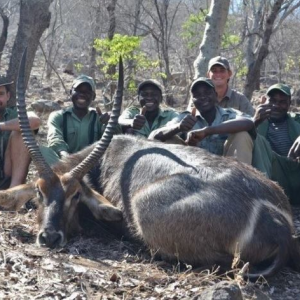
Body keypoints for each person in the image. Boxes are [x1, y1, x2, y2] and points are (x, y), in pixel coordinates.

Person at [150, 77, 255, 164]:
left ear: (215, 95)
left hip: (227, 172)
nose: (203, 97)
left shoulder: (228, 114)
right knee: (167, 138)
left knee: (242, 135)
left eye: (207, 92)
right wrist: (178, 128)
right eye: (197, 95)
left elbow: (249, 122)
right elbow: (154, 136)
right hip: (194, 170)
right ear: (192, 100)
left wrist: (208, 131)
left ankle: (240, 183)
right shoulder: (185, 117)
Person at [41, 75, 110, 165]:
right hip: (65, 162)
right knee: (42, 151)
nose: (82, 94)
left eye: (87, 92)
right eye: (78, 90)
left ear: (93, 96)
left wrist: (111, 124)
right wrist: (65, 157)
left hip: (92, 165)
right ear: (71, 92)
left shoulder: (100, 117)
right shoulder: (58, 116)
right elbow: (54, 138)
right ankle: (59, 177)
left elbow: (113, 142)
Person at [252, 83, 300, 205]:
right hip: (273, 178)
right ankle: (264, 197)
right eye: (272, 100)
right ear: (264, 101)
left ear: (289, 104)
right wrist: (255, 123)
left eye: (282, 102)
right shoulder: (256, 121)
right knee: (257, 140)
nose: (276, 105)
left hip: (295, 174)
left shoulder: (297, 121)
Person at [0, 76, 41, 189]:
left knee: (21, 132)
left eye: (1, 94)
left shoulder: (13, 114)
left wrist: (2, 126)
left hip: (7, 179)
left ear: (8, 96)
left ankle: (13, 195)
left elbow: (35, 121)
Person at [189, 56, 255, 116]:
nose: (218, 74)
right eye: (214, 71)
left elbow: (252, 121)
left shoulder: (240, 99)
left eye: (222, 70)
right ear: (208, 75)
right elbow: (188, 119)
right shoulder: (199, 99)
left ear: (229, 73)